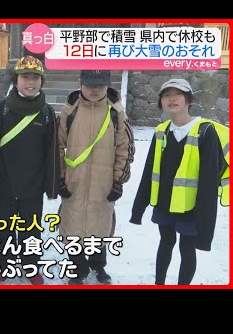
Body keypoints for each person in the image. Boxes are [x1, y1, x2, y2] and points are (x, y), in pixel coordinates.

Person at [130, 78, 228, 285]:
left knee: (187, 248)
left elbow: (209, 180)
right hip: (165, 202)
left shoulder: (205, 132)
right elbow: (149, 171)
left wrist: (205, 218)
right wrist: (138, 209)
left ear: (188, 100)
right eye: (166, 95)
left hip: (192, 206)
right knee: (165, 243)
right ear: (161, 102)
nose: (171, 98)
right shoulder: (161, 131)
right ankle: (159, 284)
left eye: (177, 94)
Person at [0, 55, 60, 285]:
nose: (30, 82)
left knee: (31, 230)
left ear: (42, 81)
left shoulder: (47, 112)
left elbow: (52, 152)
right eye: (25, 77)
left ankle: (30, 264)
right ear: (16, 80)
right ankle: (3, 263)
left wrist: (52, 185)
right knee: (4, 227)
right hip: (4, 184)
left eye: (35, 77)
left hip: (33, 186)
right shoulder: (2, 109)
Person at [57, 70, 135, 285]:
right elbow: (57, 147)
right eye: (90, 84)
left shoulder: (117, 113)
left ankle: (99, 265)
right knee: (73, 225)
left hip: (104, 183)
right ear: (80, 83)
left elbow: (125, 149)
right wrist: (61, 178)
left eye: (99, 85)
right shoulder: (69, 111)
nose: (94, 90)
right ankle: (77, 268)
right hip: (75, 181)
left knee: (100, 225)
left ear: (107, 86)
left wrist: (118, 181)